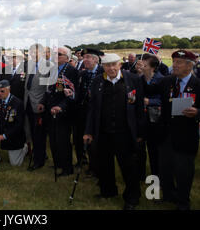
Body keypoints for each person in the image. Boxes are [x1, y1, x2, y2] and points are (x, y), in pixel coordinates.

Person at [143, 50, 200, 210]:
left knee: (184, 171)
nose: (174, 65)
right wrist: (146, 74)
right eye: (174, 61)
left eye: (178, 62)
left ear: (190, 66)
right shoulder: (167, 81)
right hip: (165, 135)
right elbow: (149, 90)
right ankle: (168, 195)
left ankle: (183, 202)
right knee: (165, 168)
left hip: (186, 137)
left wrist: (198, 113)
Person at [84, 53, 145, 210]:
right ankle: (108, 191)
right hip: (103, 132)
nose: (110, 68)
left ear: (120, 65)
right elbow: (92, 108)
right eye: (107, 65)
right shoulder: (98, 81)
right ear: (103, 66)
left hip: (125, 132)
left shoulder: (133, 80)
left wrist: (139, 133)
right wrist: (89, 131)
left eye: (113, 64)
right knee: (104, 164)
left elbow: (139, 109)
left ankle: (132, 197)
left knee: (129, 166)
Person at [39, 46, 78, 177]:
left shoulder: (71, 71)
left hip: (63, 111)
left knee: (63, 140)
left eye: (59, 54)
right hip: (50, 109)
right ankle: (58, 163)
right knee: (53, 139)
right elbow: (48, 89)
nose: (55, 56)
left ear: (67, 58)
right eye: (55, 54)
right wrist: (42, 102)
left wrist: (61, 107)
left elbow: (72, 93)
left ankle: (67, 168)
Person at [0, 80, 27, 167]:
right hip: (0, 131)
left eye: (2, 91)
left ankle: (24, 148)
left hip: (13, 135)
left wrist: (4, 136)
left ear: (8, 90)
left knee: (15, 164)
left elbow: (19, 125)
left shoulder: (17, 103)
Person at [75, 48, 104, 177]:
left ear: (95, 59)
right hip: (83, 111)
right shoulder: (82, 74)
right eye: (83, 57)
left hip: (98, 113)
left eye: (87, 57)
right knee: (82, 137)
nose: (84, 60)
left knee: (96, 141)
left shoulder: (103, 72)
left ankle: (97, 167)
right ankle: (87, 164)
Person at [25, 44, 54, 172]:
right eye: (30, 52)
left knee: (39, 134)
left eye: (35, 52)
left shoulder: (48, 66)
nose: (32, 54)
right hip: (28, 103)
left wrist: (43, 102)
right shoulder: (30, 65)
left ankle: (39, 161)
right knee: (32, 132)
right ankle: (40, 154)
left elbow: (48, 89)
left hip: (39, 105)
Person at [139, 53, 164, 179]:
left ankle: (156, 174)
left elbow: (166, 100)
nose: (141, 65)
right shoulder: (139, 79)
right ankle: (140, 174)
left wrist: (150, 102)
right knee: (140, 148)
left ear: (152, 67)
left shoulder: (162, 80)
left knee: (154, 149)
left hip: (155, 120)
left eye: (145, 64)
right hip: (141, 118)